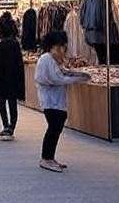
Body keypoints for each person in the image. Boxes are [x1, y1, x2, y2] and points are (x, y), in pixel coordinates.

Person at [35, 30, 91, 172]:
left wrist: (76, 74)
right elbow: (56, 79)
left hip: (56, 101)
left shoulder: (53, 60)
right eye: (58, 47)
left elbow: (61, 74)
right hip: (50, 101)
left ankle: (50, 157)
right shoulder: (46, 59)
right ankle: (46, 158)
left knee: (56, 128)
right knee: (53, 129)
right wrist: (77, 79)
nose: (61, 50)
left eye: (62, 47)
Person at [0, 12, 24, 140]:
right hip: (13, 77)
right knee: (12, 102)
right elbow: (19, 64)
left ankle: (6, 126)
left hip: (2, 77)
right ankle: (11, 127)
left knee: (1, 102)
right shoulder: (15, 44)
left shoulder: (0, 45)